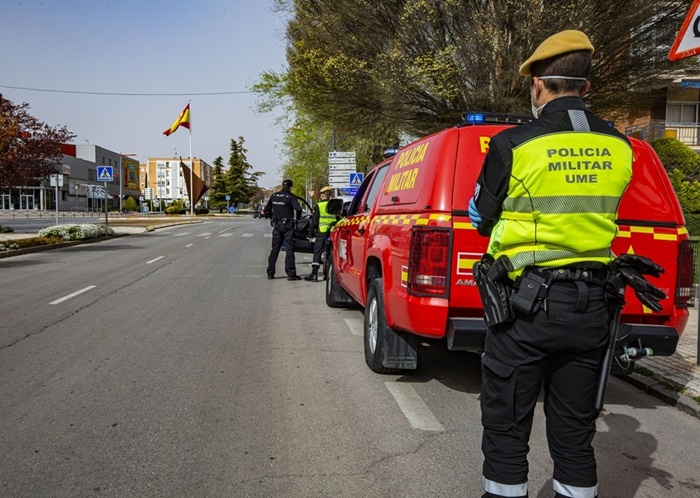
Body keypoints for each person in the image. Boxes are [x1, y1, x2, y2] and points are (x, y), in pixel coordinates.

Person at [469, 30, 633, 498]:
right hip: (593, 308)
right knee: (575, 435)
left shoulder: (513, 144)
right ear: (585, 86)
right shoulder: (621, 146)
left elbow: (482, 215)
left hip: (526, 309)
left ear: (539, 85)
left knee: (506, 428)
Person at [264, 179, 303, 280]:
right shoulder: (290, 197)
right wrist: (297, 219)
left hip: (277, 226)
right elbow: (298, 209)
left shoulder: (274, 196)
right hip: (288, 227)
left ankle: (270, 272)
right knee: (289, 250)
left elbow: (266, 210)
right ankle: (291, 274)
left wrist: (272, 218)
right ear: (291, 187)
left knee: (274, 249)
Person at [304, 186, 337, 281]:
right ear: (330, 195)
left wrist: (310, 234)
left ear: (322, 195)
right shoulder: (335, 205)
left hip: (321, 232)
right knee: (331, 253)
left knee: (317, 252)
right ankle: (329, 274)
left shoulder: (319, 206)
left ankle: (314, 274)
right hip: (332, 232)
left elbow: (314, 222)